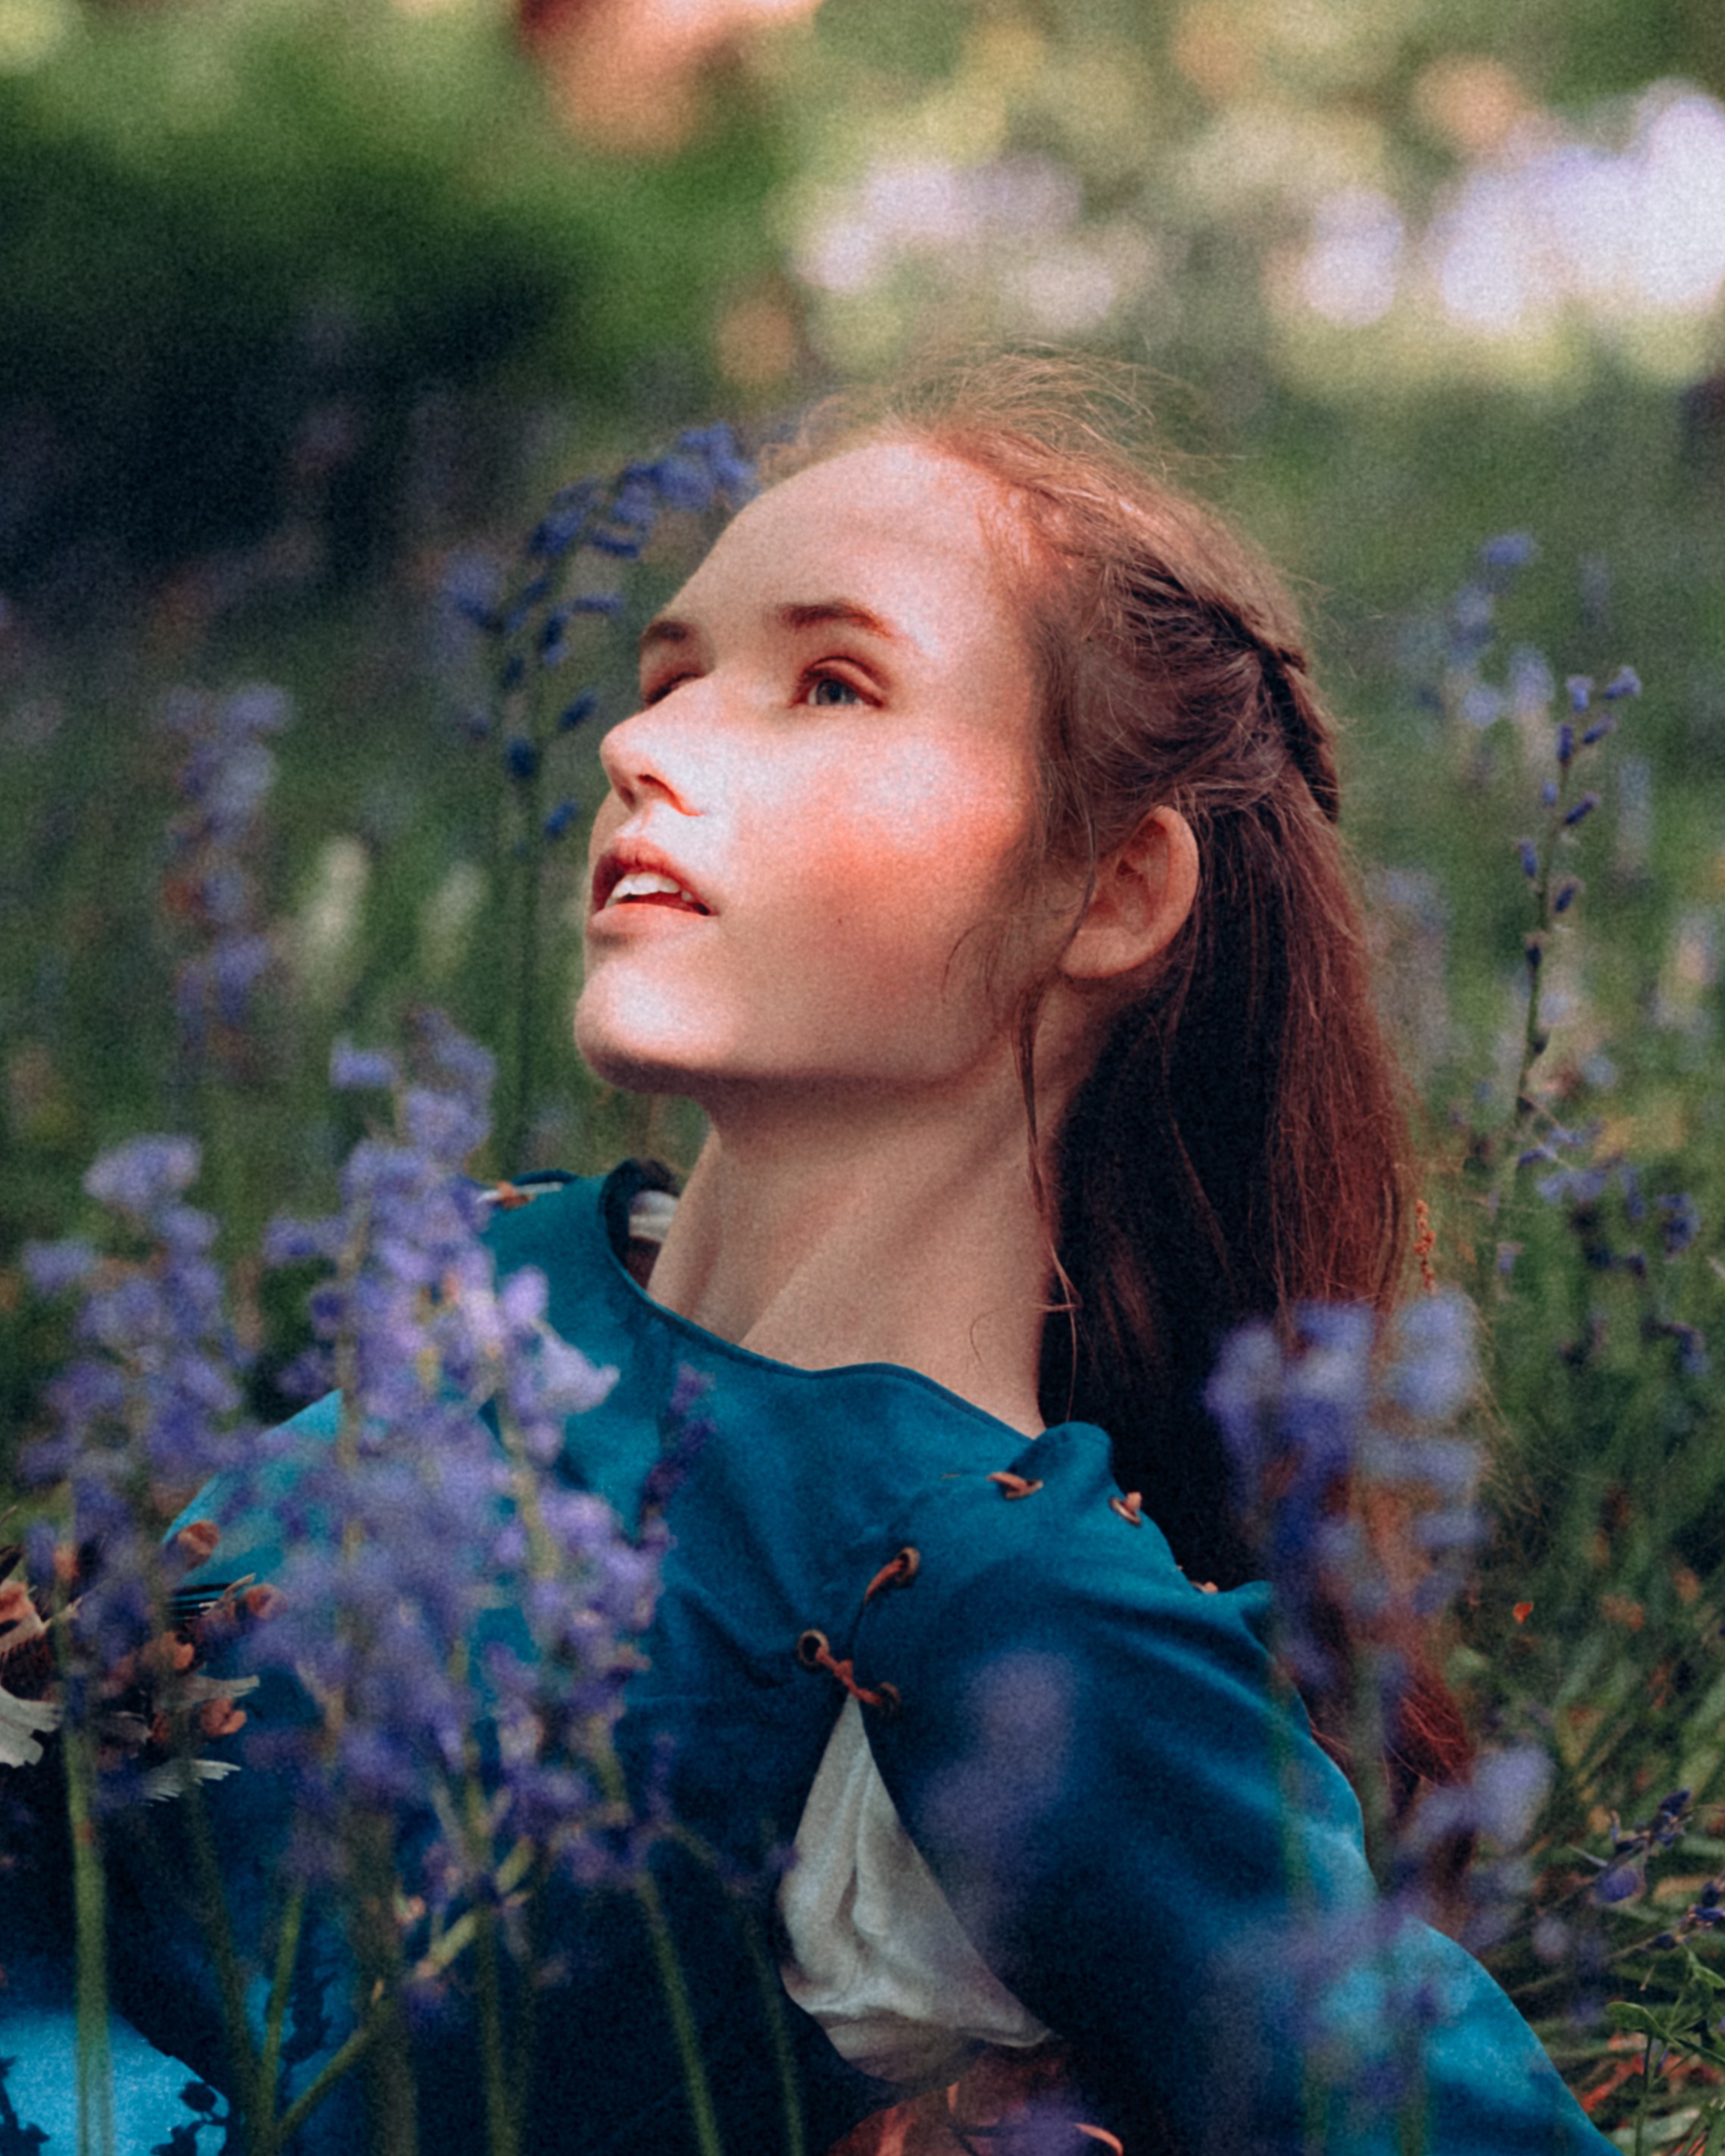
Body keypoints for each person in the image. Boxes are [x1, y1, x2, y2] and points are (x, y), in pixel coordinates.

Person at [12, 358, 1614, 2154]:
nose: (643, 744)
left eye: (829, 682)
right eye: (669, 676)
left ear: (1109, 891)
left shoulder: (999, 1604)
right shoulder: (492, 1277)